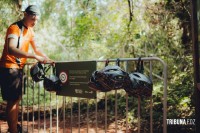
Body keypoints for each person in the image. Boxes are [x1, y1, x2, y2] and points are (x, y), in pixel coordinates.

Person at [0, 5, 52, 133]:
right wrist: (33, 56)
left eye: (36, 20)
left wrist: (46, 58)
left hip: (18, 69)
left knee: (16, 100)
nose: (34, 22)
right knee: (12, 101)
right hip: (9, 68)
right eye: (33, 19)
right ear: (25, 15)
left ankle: (14, 127)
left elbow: (37, 49)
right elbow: (11, 49)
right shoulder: (14, 28)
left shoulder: (30, 31)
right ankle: (13, 130)